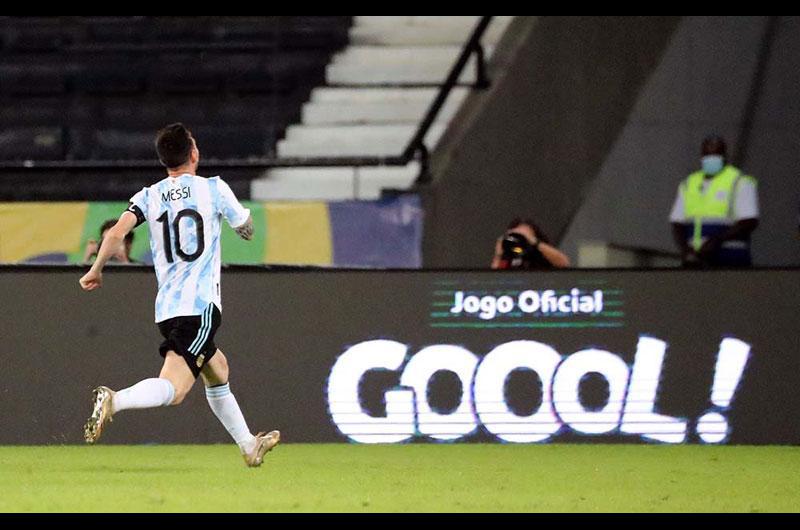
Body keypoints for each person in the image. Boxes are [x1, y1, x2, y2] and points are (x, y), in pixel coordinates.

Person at [79, 123, 279, 467]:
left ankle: (249, 446)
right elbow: (245, 227)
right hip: (200, 307)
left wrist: (96, 269)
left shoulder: (149, 195)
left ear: (164, 161)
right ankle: (115, 400)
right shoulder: (213, 189)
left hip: (168, 309)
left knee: (217, 368)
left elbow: (115, 233)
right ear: (194, 153)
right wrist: (244, 228)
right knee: (175, 389)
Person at [670, 136, 759, 267]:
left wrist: (717, 240)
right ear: (701, 156)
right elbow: (677, 223)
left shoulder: (739, 182)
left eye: (716, 154)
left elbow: (749, 222)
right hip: (697, 259)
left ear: (724, 156)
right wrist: (685, 249)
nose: (711, 159)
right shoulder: (689, 183)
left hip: (731, 257)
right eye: (707, 154)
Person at [491, 218, 571, 270]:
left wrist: (533, 241)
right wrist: (499, 253)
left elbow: (564, 263)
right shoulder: (508, 255)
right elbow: (494, 277)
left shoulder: (542, 254)